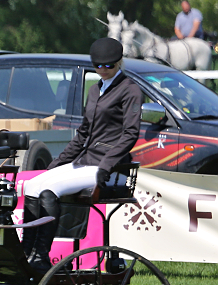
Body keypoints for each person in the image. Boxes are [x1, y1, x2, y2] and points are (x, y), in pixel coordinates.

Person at [22, 37, 142, 271]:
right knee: (33, 186)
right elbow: (83, 134)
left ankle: (41, 256)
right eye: (99, 66)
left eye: (110, 66)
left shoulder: (130, 90)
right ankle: (28, 252)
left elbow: (130, 134)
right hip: (86, 160)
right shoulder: (95, 90)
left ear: (119, 63)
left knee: (49, 190)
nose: (104, 70)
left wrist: (106, 165)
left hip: (110, 167)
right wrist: (58, 163)